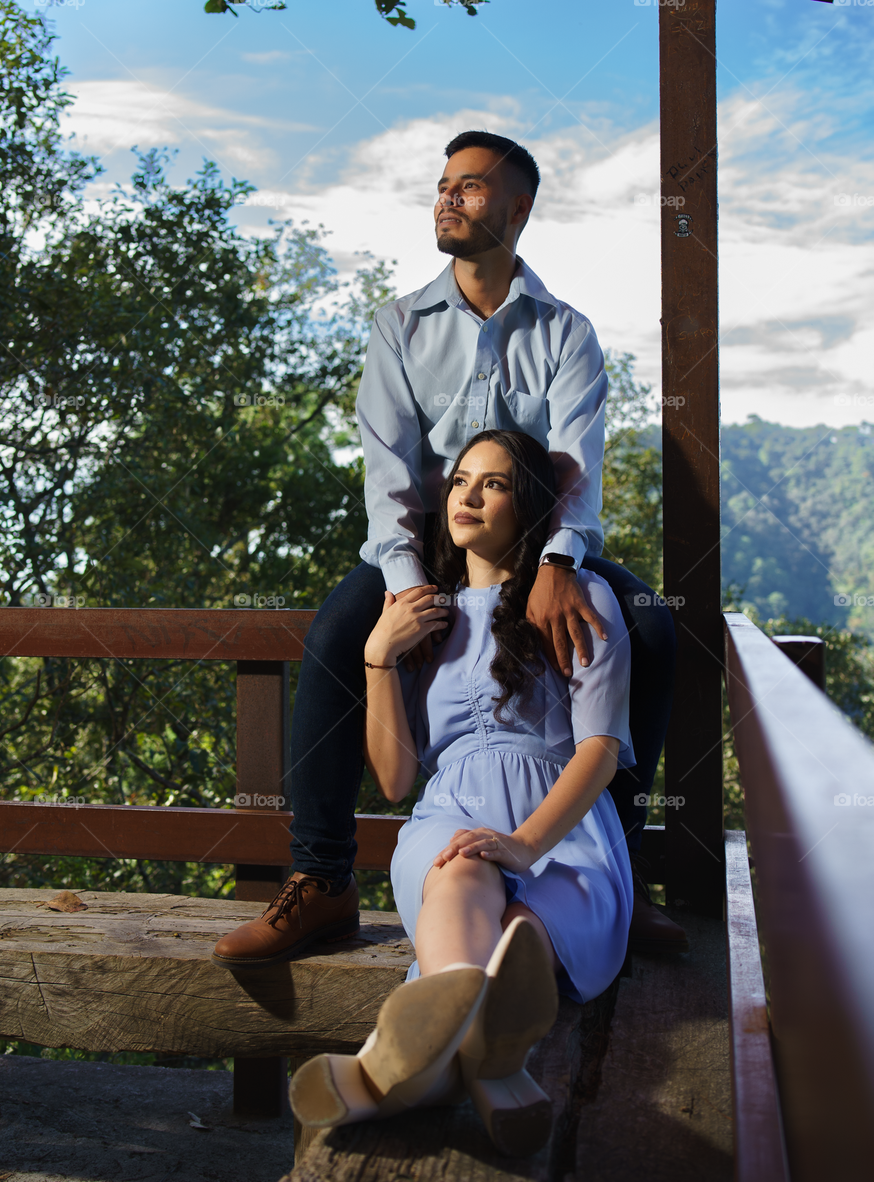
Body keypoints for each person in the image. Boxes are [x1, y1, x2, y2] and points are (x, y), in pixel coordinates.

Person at [211, 130, 683, 974]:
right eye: (443, 185)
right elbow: (388, 474)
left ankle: (617, 867)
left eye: (469, 187)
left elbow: (578, 466)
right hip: (424, 548)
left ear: (517, 208)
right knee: (335, 642)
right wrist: (402, 589)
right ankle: (321, 876)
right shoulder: (398, 326)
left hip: (537, 541)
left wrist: (559, 564)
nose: (448, 198)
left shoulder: (566, 332)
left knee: (649, 626)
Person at [288, 430, 634, 1157]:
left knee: (525, 937)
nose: (468, 496)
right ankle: (488, 1052)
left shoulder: (580, 594)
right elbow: (394, 779)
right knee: (458, 866)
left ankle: (404, 1069)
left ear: (530, 504)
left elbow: (600, 750)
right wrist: (379, 656)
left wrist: (526, 843)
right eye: (459, 481)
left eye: (495, 484)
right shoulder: (426, 616)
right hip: (447, 812)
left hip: (562, 830)